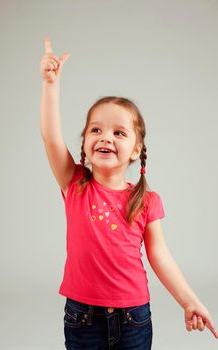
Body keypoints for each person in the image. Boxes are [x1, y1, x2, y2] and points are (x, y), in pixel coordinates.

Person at [40, 35, 218, 349]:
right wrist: (50, 86)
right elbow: (51, 138)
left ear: (135, 149)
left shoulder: (147, 201)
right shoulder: (75, 185)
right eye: (96, 129)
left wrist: (190, 301)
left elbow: (160, 256)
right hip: (82, 317)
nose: (105, 137)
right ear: (83, 143)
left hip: (133, 318)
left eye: (118, 132)